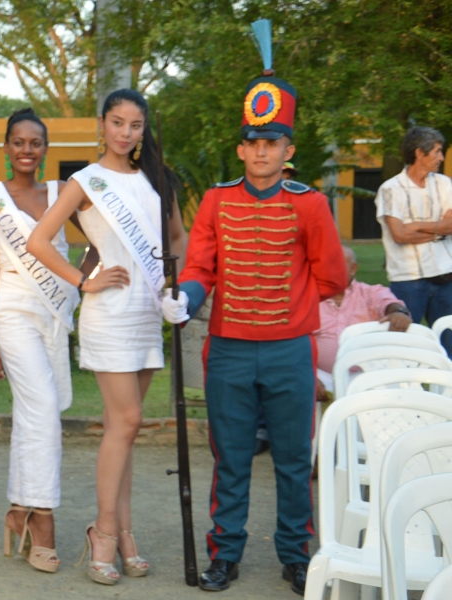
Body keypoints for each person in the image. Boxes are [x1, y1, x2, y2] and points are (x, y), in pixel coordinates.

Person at [161, 20, 346, 594]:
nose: (262, 152)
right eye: (253, 143)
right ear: (241, 148)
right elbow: (199, 269)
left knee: (294, 460)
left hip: (292, 351)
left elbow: (333, 277)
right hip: (231, 353)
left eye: (273, 143)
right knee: (231, 460)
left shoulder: (311, 205)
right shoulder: (216, 202)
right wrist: (184, 298)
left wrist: (288, 309)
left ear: (288, 149)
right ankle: (226, 554)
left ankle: (296, 554)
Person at [28, 89, 185, 586]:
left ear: (143, 130)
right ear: (103, 124)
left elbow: (178, 239)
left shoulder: (157, 179)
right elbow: (38, 240)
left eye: (135, 125)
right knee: (129, 420)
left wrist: (170, 284)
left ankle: (124, 530)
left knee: (126, 429)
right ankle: (104, 533)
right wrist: (83, 281)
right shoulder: (86, 182)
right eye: (117, 123)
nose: (125, 133)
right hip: (109, 312)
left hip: (145, 314)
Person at [0, 108, 84, 574]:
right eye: (18, 142)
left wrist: (87, 277)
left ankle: (18, 508)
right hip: (14, 309)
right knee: (41, 406)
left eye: (35, 142)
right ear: (6, 146)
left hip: (54, 312)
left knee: (43, 408)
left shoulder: (64, 193)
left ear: (45, 149)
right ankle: (43, 521)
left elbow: (101, 239)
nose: (26, 150)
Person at [374, 125, 452, 354]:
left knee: (450, 346)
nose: (442, 157)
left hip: (446, 280)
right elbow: (400, 235)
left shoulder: (444, 184)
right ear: (420, 153)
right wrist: (440, 230)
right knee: (404, 348)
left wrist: (417, 225)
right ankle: (406, 389)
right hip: (409, 282)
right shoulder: (391, 189)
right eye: (437, 151)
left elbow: (411, 230)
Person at [314, 245, 412, 395]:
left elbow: (388, 303)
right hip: (322, 375)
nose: (329, 270)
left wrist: (398, 312)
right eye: (326, 265)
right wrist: (310, 377)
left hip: (369, 374)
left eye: (337, 264)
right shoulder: (311, 299)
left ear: (353, 268)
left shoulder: (370, 293)